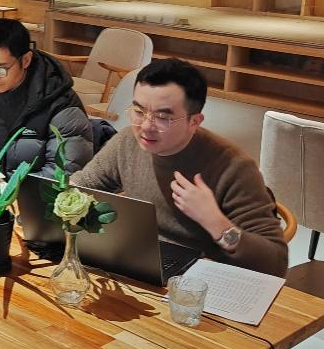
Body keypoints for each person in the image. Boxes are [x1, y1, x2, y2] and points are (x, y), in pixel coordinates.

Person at [71, 58, 288, 277]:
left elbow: (274, 265)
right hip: (141, 263)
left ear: (194, 121)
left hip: (202, 278)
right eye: (139, 111)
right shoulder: (128, 142)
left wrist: (214, 221)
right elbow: (80, 187)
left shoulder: (234, 168)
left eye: (162, 117)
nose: (146, 126)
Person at [0, 19, 93, 177]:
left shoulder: (60, 105)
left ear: (25, 60)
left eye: (0, 69)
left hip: (31, 191)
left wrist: (9, 190)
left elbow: (61, 173)